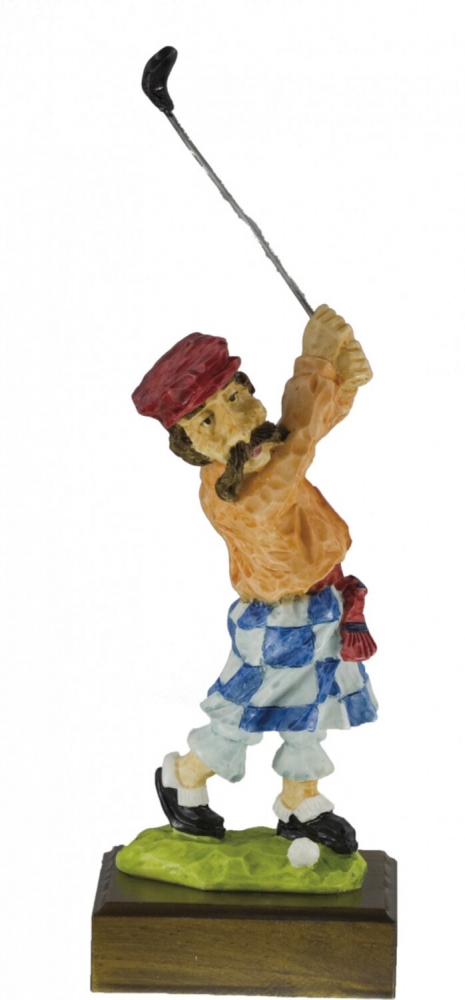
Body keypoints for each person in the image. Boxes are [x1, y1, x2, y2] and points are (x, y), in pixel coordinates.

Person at [132, 305, 378, 854]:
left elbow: (309, 426)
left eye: (234, 397)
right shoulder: (238, 494)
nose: (235, 423)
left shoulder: (260, 455)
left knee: (311, 711)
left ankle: (299, 801)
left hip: (321, 605)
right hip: (275, 623)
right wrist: (315, 362)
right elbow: (300, 444)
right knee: (241, 717)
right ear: (191, 446)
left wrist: (343, 378)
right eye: (208, 421)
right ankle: (184, 777)